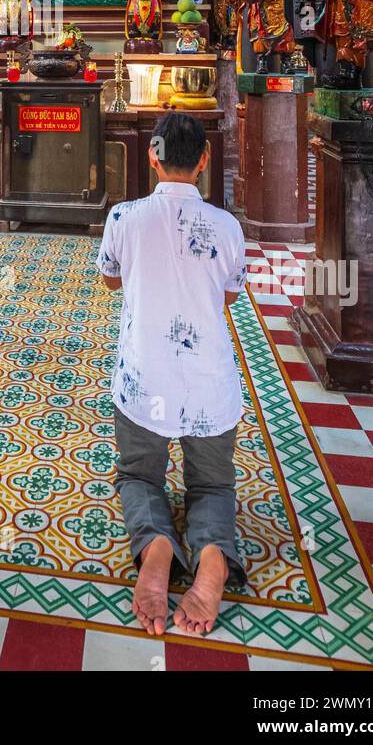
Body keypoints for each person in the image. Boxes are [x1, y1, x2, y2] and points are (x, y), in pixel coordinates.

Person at [96, 111, 248, 638]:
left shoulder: (123, 218)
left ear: (151, 155)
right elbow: (227, 297)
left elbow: (111, 282)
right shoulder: (229, 228)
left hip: (143, 381)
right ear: (205, 161)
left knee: (139, 475)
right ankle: (211, 556)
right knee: (212, 485)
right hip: (212, 386)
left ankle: (157, 547)